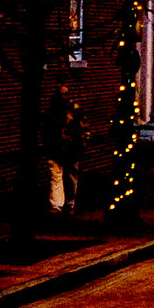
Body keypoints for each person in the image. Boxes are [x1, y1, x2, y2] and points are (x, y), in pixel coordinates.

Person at [42, 87, 87, 216]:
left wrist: (82, 144)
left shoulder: (75, 110)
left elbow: (84, 128)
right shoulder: (52, 111)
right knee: (56, 176)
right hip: (56, 149)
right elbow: (45, 129)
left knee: (71, 177)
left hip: (72, 149)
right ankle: (57, 205)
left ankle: (69, 202)